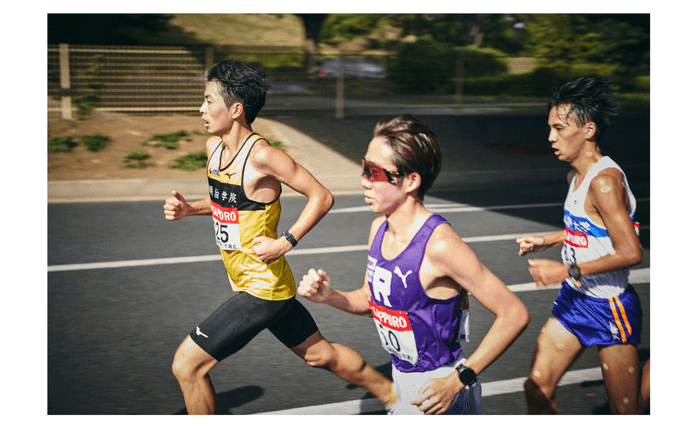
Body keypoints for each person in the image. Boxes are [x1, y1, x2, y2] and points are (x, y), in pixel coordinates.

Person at [163, 60, 396, 414]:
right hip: (252, 282)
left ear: (236, 109)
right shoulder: (213, 149)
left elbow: (322, 196)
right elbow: (231, 205)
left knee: (187, 366)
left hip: (262, 288)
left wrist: (284, 242)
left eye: (209, 101)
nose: (201, 109)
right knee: (320, 355)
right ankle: (396, 397)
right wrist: (190, 209)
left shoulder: (263, 156)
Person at [298, 115, 530, 414]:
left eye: (374, 172)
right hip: (403, 380)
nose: (363, 180)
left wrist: (460, 379)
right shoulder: (378, 231)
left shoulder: (440, 245)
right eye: (363, 167)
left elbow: (514, 313)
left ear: (411, 180)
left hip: (441, 386)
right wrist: (328, 296)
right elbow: (372, 300)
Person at [516, 75, 650, 414]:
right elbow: (591, 228)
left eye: (560, 128)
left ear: (588, 130)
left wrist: (566, 269)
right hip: (575, 300)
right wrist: (547, 239)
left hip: (610, 307)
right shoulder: (574, 175)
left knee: (628, 412)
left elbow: (631, 251)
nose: (551, 137)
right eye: (550, 128)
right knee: (536, 387)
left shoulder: (604, 182)